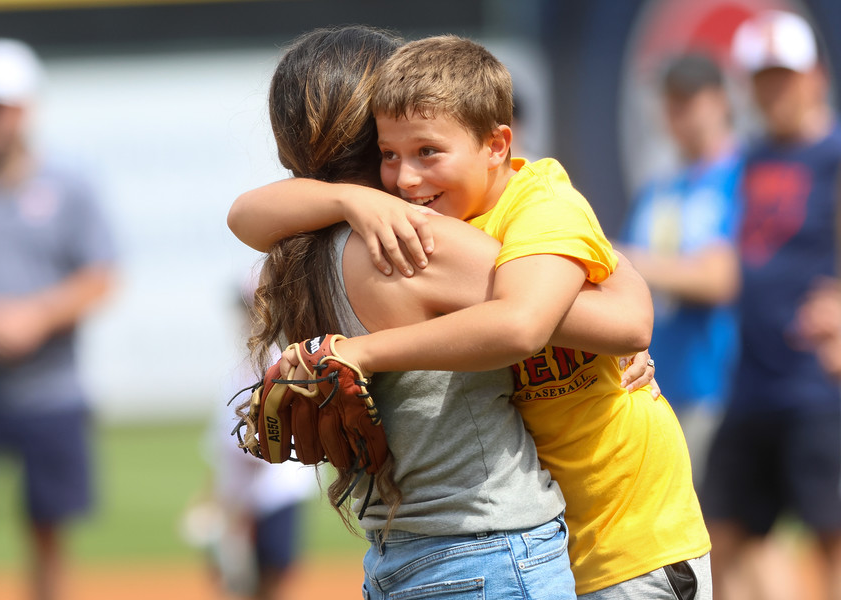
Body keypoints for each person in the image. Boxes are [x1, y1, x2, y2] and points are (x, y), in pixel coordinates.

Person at [231, 33, 710, 599]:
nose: (406, 174)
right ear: (371, 127)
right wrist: (615, 272)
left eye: (425, 149)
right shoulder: (420, 239)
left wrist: (346, 202)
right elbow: (618, 319)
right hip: (494, 548)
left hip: (399, 555)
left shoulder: (295, 253)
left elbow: (242, 216)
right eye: (391, 150)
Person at [0, 39, 116, 600]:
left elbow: (100, 274)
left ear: (28, 107)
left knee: (47, 534)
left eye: (6, 105)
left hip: (49, 390)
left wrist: (36, 316)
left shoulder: (70, 186)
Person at [702, 10, 841, 600]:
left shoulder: (833, 154)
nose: (773, 89)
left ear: (816, 76)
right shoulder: (751, 158)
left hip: (818, 385)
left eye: (784, 74)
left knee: (829, 539)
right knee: (719, 536)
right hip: (751, 381)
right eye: (762, 77)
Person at [619, 52, 742, 490]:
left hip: (723, 382)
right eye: (672, 101)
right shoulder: (660, 187)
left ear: (720, 100)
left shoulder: (743, 174)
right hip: (661, 382)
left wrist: (630, 258)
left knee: (723, 531)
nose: (680, 113)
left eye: (690, 98)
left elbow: (721, 280)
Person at [184, 283, 317, 600]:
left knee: (268, 582)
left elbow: (265, 449)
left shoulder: (285, 364)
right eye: (246, 308)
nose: (250, 317)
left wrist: (230, 509)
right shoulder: (237, 370)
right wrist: (213, 498)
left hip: (273, 495)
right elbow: (224, 451)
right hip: (240, 498)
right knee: (235, 583)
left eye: (256, 307)